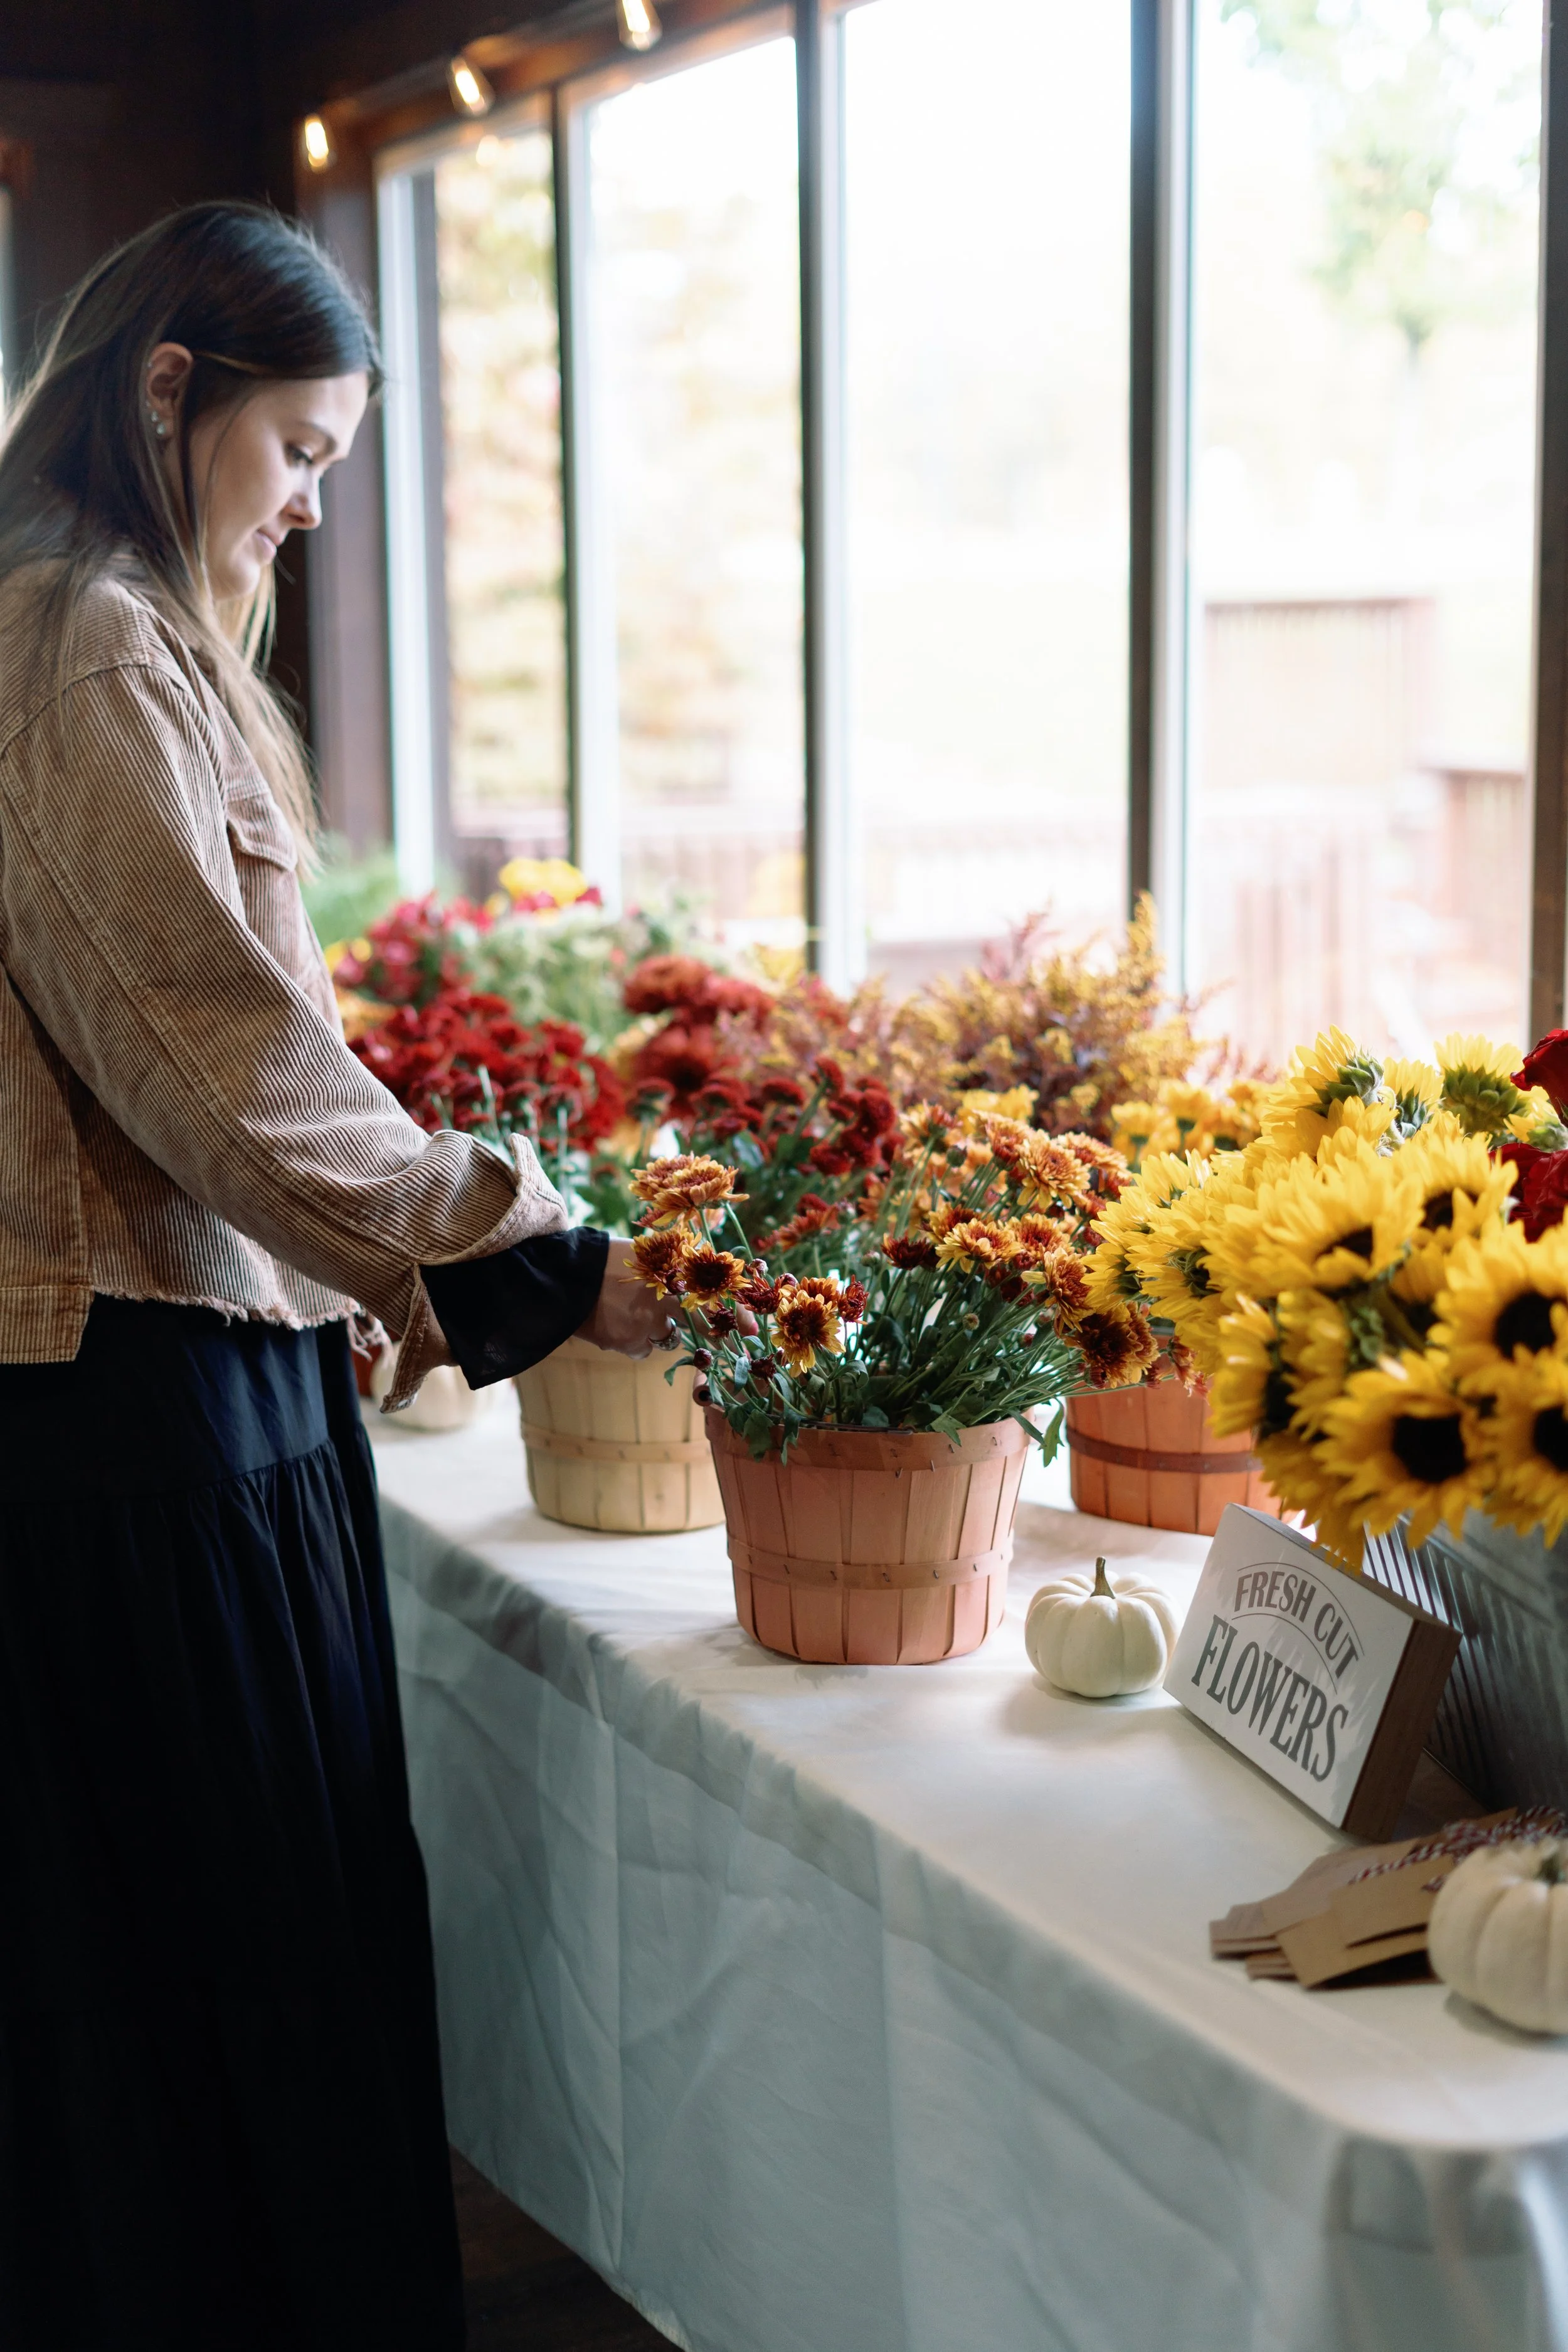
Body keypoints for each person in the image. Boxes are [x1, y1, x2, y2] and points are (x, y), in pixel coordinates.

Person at [0, 200, 670, 2350]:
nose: (307, 508)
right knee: (238, 1995)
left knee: (165, 2021)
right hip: (136, 1411)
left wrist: (407, 1273)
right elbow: (212, 1047)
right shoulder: (81, 635)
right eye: (298, 451)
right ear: (166, 390)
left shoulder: (119, 618)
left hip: (166, 1383)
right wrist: (526, 1258)